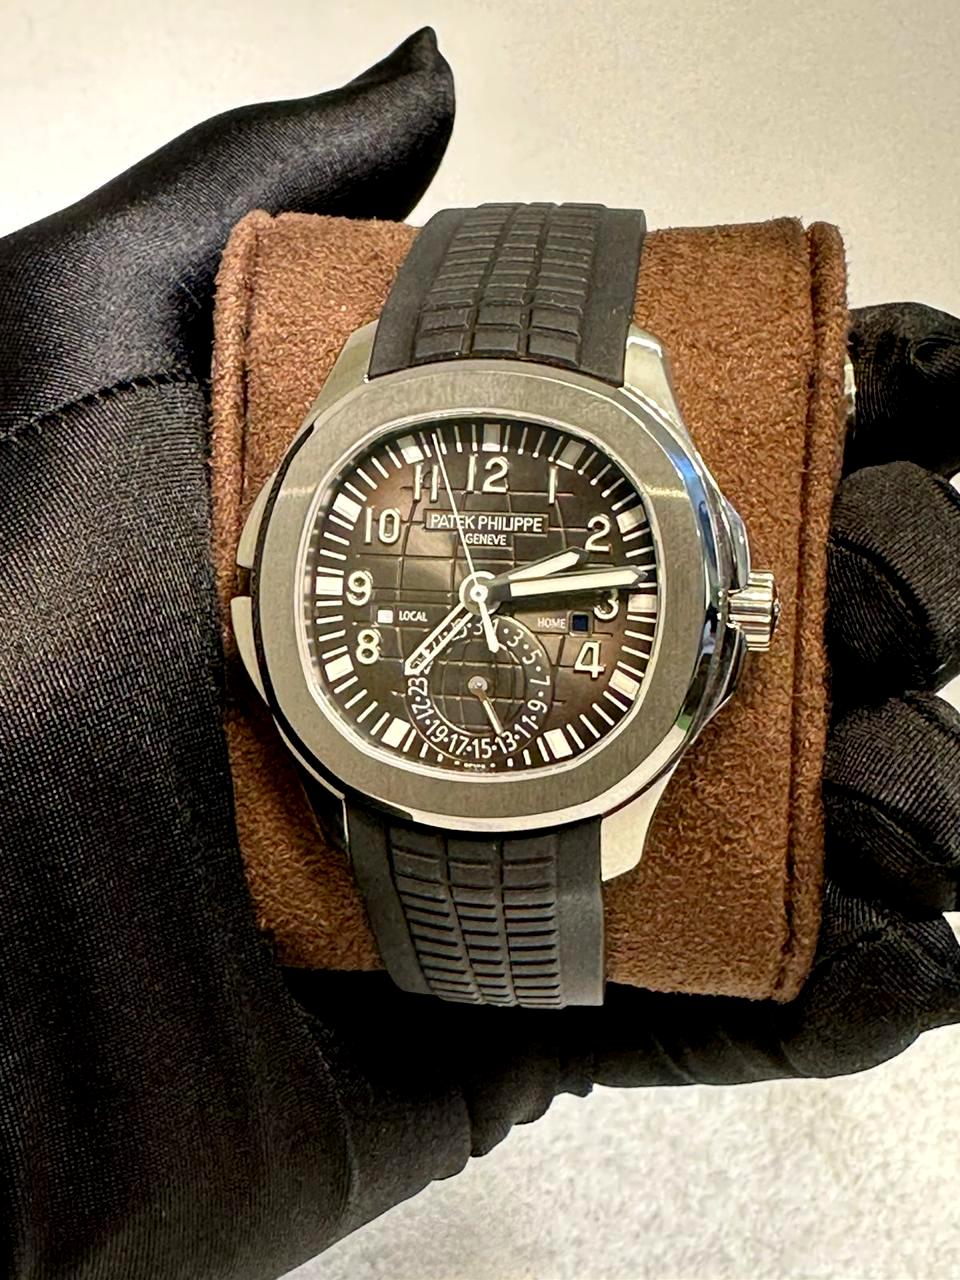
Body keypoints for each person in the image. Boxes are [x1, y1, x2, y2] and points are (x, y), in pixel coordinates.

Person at [1, 28, 957, 1280]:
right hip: (360, 764)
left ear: (739, 606)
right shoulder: (338, 465)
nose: (481, 591)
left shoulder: (639, 426)